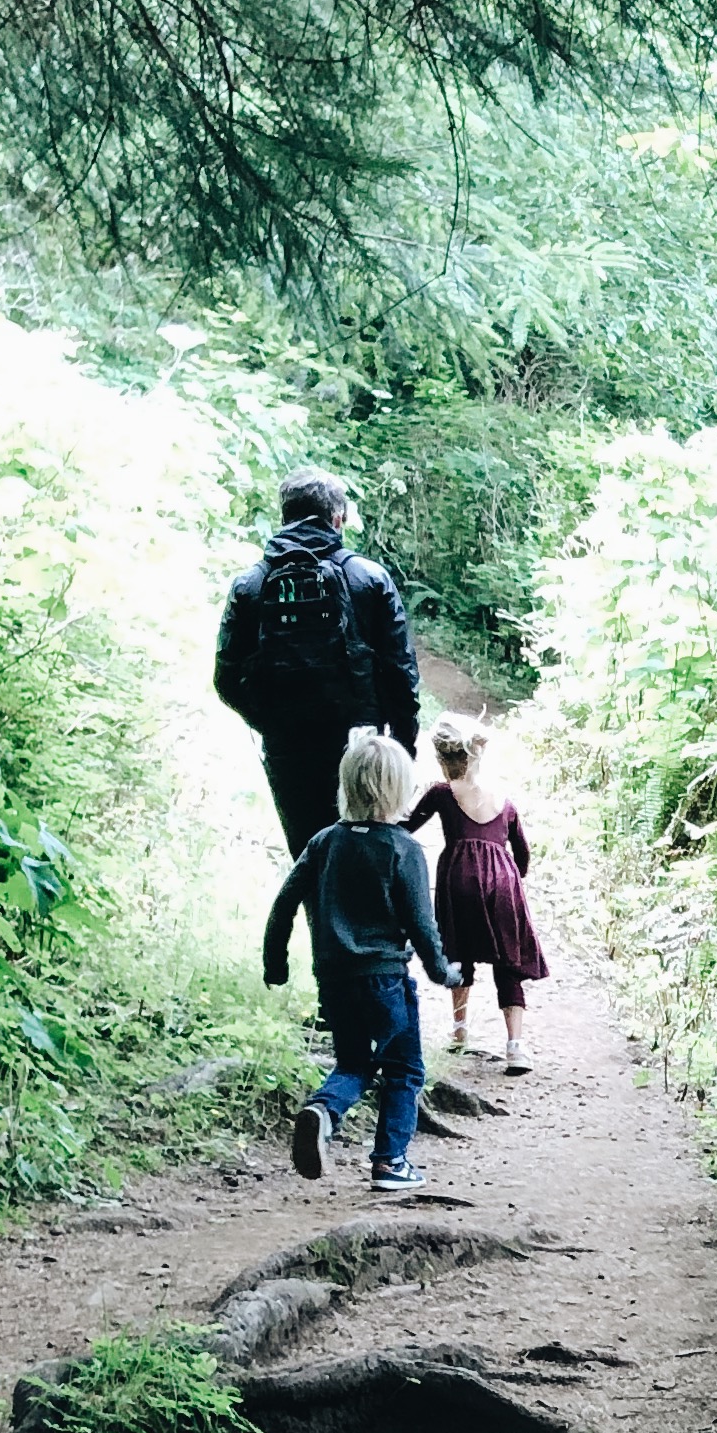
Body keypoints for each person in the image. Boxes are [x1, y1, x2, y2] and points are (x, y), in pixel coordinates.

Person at [261, 729, 457, 1198]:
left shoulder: (326, 841)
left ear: (347, 784)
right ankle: (387, 1159)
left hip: (333, 980)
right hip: (384, 980)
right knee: (404, 1070)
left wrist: (276, 961)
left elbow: (285, 902)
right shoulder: (403, 849)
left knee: (353, 1061)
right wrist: (441, 971)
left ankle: (324, 1114)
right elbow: (421, 924)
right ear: (400, 790)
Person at [212, 473, 424, 860]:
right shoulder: (369, 578)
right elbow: (401, 674)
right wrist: (403, 748)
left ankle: (322, 922)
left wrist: (272, 722)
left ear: (284, 517)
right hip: (362, 748)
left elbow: (226, 678)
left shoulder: (251, 586)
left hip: (288, 749)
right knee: (370, 861)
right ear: (338, 518)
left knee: (312, 862)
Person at [412, 717, 549, 1074]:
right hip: (504, 884)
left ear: (444, 760)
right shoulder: (504, 801)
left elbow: (406, 826)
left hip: (458, 882)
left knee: (459, 952)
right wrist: (506, 879)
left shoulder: (442, 793)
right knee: (509, 963)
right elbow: (523, 856)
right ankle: (515, 1046)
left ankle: (459, 1032)